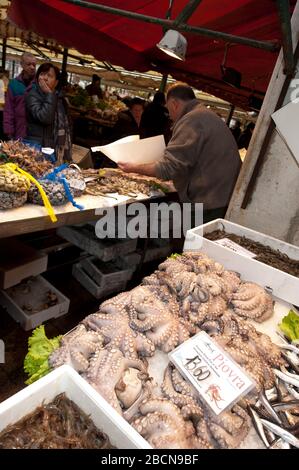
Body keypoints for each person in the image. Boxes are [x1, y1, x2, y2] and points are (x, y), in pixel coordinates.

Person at [119, 83, 241, 222]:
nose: (169, 115)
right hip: (223, 198)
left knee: (191, 242)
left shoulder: (192, 119)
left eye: (168, 109)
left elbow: (169, 167)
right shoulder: (206, 116)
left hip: (209, 202)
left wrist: (132, 167)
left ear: (174, 103)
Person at [25, 62, 72, 164]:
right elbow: (45, 118)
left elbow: (67, 127)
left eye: (49, 76)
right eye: (42, 74)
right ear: (37, 77)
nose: (45, 78)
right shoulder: (32, 95)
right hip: (35, 148)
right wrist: (49, 94)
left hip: (51, 148)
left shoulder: (60, 99)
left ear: (56, 82)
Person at [3, 52, 36, 140]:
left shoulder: (39, 84)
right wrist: (9, 131)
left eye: (34, 64)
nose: (32, 67)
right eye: (28, 64)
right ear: (22, 65)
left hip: (35, 132)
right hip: (18, 130)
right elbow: (8, 110)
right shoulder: (13, 84)